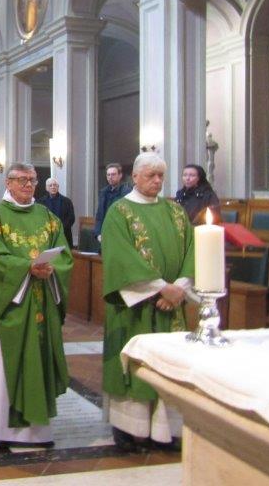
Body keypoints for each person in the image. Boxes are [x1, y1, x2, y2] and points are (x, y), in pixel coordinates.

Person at [0, 163, 73, 447]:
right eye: (22, 180)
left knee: (38, 363)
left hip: (41, 303)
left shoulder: (48, 217)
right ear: (8, 182)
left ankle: (38, 432)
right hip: (10, 306)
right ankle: (1, 429)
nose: (28, 185)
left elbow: (64, 254)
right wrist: (27, 268)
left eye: (32, 180)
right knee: (4, 366)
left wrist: (51, 268)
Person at [101, 152, 194, 452]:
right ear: (135, 177)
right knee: (135, 366)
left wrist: (178, 288)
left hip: (171, 306)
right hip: (135, 307)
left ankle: (166, 430)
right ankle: (130, 429)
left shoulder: (175, 211)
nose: (157, 181)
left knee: (169, 367)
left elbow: (192, 251)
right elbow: (121, 259)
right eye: (151, 175)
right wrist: (160, 289)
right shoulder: (119, 211)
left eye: (160, 176)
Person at [94, 162, 131, 242]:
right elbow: (100, 215)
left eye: (113, 174)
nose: (110, 177)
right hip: (105, 233)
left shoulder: (126, 192)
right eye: (108, 175)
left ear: (120, 175)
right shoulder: (103, 192)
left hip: (120, 233)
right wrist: (98, 233)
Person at [37, 177, 76, 247]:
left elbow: (71, 219)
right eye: (50, 185)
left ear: (58, 187)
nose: (53, 187)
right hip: (47, 236)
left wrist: (59, 229)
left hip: (64, 235)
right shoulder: (40, 202)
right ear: (46, 188)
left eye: (55, 185)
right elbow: (39, 218)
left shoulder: (67, 201)